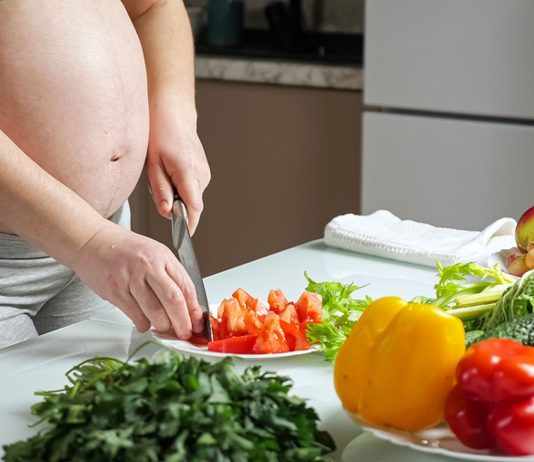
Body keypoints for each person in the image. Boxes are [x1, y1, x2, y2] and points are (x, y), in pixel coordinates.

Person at [0, 0, 211, 348]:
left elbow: (153, 7)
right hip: (22, 267)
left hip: (104, 247)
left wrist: (175, 114)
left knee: (106, 399)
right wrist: (88, 241)